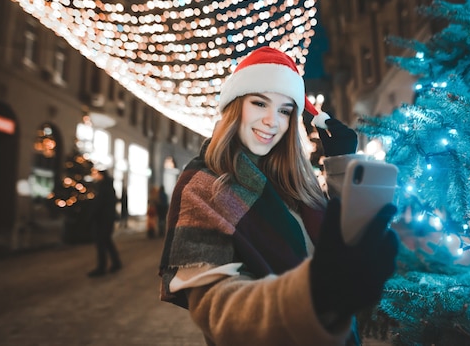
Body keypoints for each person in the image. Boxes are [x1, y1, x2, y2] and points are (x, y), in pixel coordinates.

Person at [158, 46, 399, 345]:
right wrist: (314, 294)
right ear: (235, 106)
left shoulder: (295, 179)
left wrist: (342, 163)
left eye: (285, 110)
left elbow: (336, 240)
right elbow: (214, 305)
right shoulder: (204, 185)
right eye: (260, 103)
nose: (273, 120)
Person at [87, 168, 122, 277]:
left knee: (102, 243)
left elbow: (99, 204)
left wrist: (91, 216)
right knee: (106, 241)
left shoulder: (103, 188)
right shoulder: (108, 187)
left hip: (102, 219)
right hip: (107, 219)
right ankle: (116, 263)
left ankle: (102, 267)